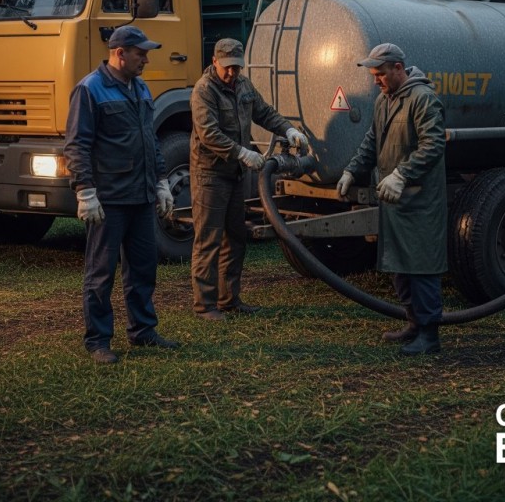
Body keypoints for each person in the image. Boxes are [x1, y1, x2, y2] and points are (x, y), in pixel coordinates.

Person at [64, 25, 179, 364]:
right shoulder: (90, 90)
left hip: (140, 197)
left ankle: (143, 331)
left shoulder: (141, 88)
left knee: (143, 268)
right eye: (140, 53)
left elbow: (150, 139)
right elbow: (77, 145)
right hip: (109, 200)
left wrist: (160, 182)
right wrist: (85, 190)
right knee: (101, 273)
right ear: (119, 53)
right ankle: (98, 340)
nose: (146, 58)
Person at [336, 43, 447, 355]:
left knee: (421, 267)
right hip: (395, 203)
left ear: (398, 68)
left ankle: (429, 334)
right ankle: (413, 323)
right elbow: (372, 141)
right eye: (374, 75)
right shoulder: (386, 100)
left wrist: (402, 174)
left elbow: (433, 144)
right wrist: (351, 171)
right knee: (400, 265)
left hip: (419, 201)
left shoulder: (422, 98)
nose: (376, 81)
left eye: (380, 74)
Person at [189, 38, 309, 320]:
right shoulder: (203, 91)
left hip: (234, 174)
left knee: (236, 237)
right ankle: (205, 306)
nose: (232, 73)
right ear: (215, 61)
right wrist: (242, 152)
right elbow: (208, 134)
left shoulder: (242, 85)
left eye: (237, 67)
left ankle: (229, 300)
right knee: (209, 239)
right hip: (210, 174)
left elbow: (264, 112)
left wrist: (290, 130)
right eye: (228, 67)